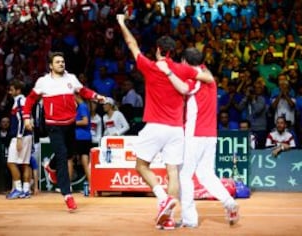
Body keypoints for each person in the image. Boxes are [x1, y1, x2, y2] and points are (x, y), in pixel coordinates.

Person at [116, 14, 213, 227]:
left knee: (141, 166)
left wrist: (122, 22)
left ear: (159, 50)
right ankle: (168, 220)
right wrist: (195, 69)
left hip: (155, 127)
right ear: (173, 52)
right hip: (176, 130)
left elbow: (131, 43)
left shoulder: (150, 66)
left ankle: (163, 198)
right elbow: (207, 77)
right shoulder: (183, 69)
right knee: (173, 173)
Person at [155, 47, 240, 228]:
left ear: (185, 61)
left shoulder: (194, 79)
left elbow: (183, 88)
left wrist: (168, 70)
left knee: (184, 175)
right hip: (210, 134)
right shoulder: (207, 73)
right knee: (206, 174)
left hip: (194, 133)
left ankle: (189, 219)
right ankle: (229, 202)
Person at [23, 52, 105, 212]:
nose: (61, 64)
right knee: (62, 158)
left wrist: (96, 96)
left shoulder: (71, 78)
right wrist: (27, 117)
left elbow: (83, 91)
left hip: (70, 124)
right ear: (51, 66)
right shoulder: (43, 82)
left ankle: (50, 167)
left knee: (69, 155)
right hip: (53, 125)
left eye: (63, 61)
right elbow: (30, 99)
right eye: (58, 62)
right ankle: (68, 196)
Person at [6, 80, 33, 199]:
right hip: (27, 135)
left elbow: (22, 120)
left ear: (18, 90)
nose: (10, 92)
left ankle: (18, 188)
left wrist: (19, 137)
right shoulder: (25, 100)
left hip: (20, 136)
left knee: (11, 162)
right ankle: (26, 190)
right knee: (25, 163)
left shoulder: (19, 101)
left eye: (12, 90)